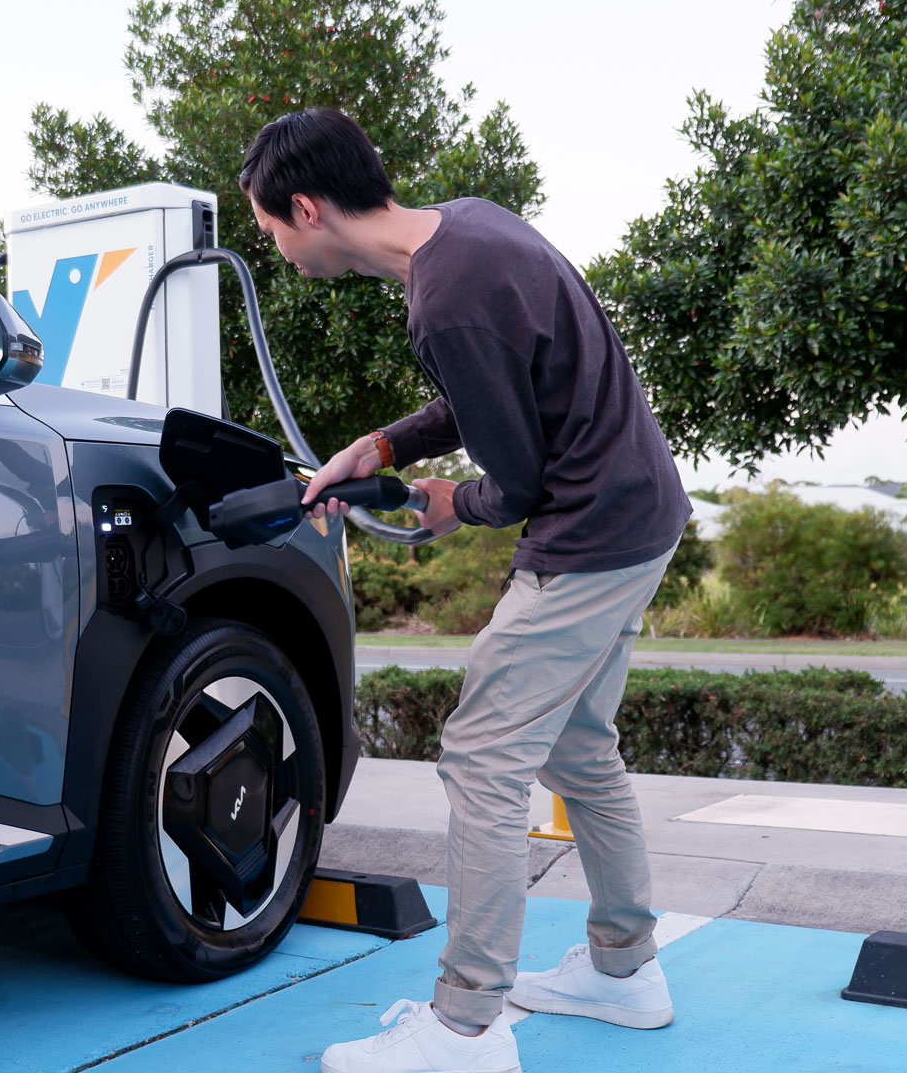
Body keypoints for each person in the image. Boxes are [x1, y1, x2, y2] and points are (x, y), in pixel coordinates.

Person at [239, 108, 691, 1073]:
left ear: (307, 208)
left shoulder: (443, 301)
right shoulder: (473, 229)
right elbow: (491, 386)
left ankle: (465, 1029)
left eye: (270, 228)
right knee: (578, 747)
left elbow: (517, 483)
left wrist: (457, 502)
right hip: (642, 512)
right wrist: (388, 446)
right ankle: (624, 972)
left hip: (588, 536)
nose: (274, 247)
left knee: (483, 755)